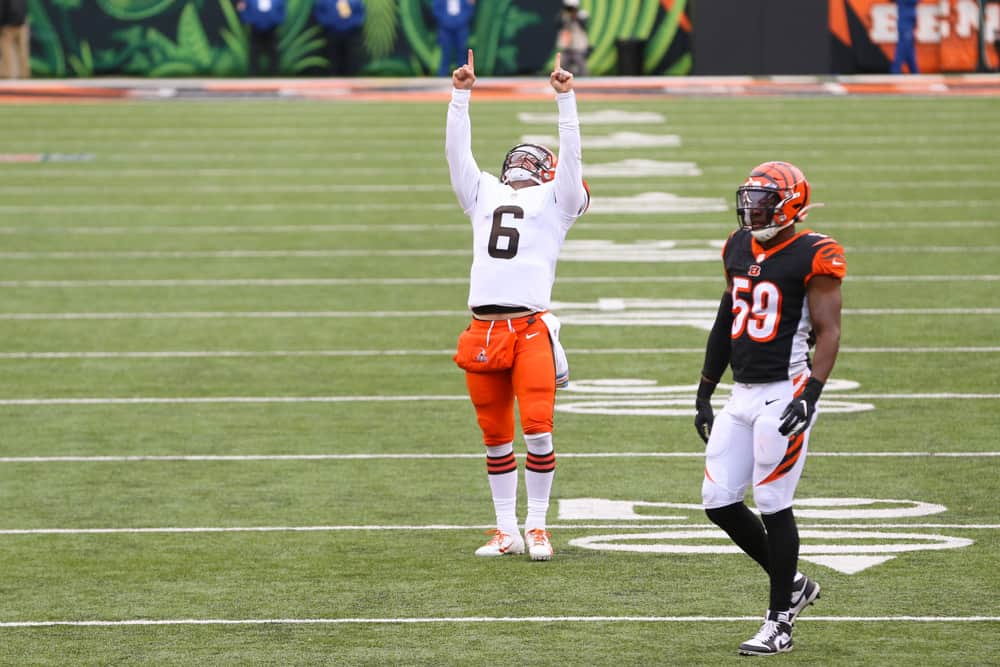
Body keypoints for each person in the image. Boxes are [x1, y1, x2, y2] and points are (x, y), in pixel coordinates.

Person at [693, 161, 845, 655]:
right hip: (742, 392)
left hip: (786, 389)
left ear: (791, 205)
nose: (752, 211)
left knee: (774, 502)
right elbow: (726, 316)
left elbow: (828, 331)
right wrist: (705, 387)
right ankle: (796, 585)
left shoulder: (814, 252)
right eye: (749, 201)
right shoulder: (737, 245)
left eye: (763, 203)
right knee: (718, 501)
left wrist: (811, 395)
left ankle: (779, 622)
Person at [447, 50, 589, 561]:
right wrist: (460, 95)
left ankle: (537, 525)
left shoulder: (558, 200)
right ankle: (505, 528)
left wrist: (566, 101)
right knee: (494, 437)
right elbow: (456, 156)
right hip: (483, 329)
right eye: (519, 156)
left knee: (538, 429)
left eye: (535, 158)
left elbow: (572, 163)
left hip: (529, 328)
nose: (524, 162)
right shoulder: (483, 192)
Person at [313, 0, 366, 76]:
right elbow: (318, 12)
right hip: (331, 33)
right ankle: (333, 78)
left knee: (350, 59)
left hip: (351, 34)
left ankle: (351, 79)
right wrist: (328, 23)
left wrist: (352, 25)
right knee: (333, 58)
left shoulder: (355, 1)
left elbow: (360, 14)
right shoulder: (324, 1)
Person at [237, 0, 286, 76]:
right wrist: (249, 20)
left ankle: (274, 76)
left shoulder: (278, 1)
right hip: (255, 30)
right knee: (254, 53)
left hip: (272, 30)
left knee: (274, 53)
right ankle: (253, 76)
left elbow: (282, 12)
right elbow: (243, 10)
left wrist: (275, 21)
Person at [433, 0, 475, 77]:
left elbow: (469, 9)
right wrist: (447, 21)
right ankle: (441, 78)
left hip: (462, 27)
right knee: (445, 53)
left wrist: (459, 21)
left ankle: (463, 78)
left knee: (462, 53)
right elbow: (436, 9)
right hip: (445, 28)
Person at [556, 0, 589, 76]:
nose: (570, 10)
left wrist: (576, 17)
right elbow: (558, 25)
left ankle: (585, 81)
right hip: (566, 44)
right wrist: (565, 16)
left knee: (581, 65)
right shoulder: (563, 15)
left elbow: (584, 26)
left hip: (578, 44)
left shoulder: (581, 14)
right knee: (563, 65)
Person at [0, 0, 29, 79]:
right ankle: (24, 80)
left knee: (8, 55)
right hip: (21, 22)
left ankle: (10, 80)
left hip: (8, 25)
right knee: (22, 54)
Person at [890, 0, 918, 74]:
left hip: (908, 24)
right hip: (905, 24)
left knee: (909, 50)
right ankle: (895, 71)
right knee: (902, 49)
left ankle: (915, 72)